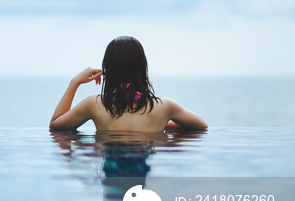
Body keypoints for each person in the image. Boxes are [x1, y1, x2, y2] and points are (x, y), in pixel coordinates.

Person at [49, 36, 207, 132]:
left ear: (108, 68)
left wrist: (74, 82)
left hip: (112, 170)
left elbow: (56, 125)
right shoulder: (164, 107)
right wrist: (164, 122)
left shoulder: (94, 104)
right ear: (142, 67)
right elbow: (201, 125)